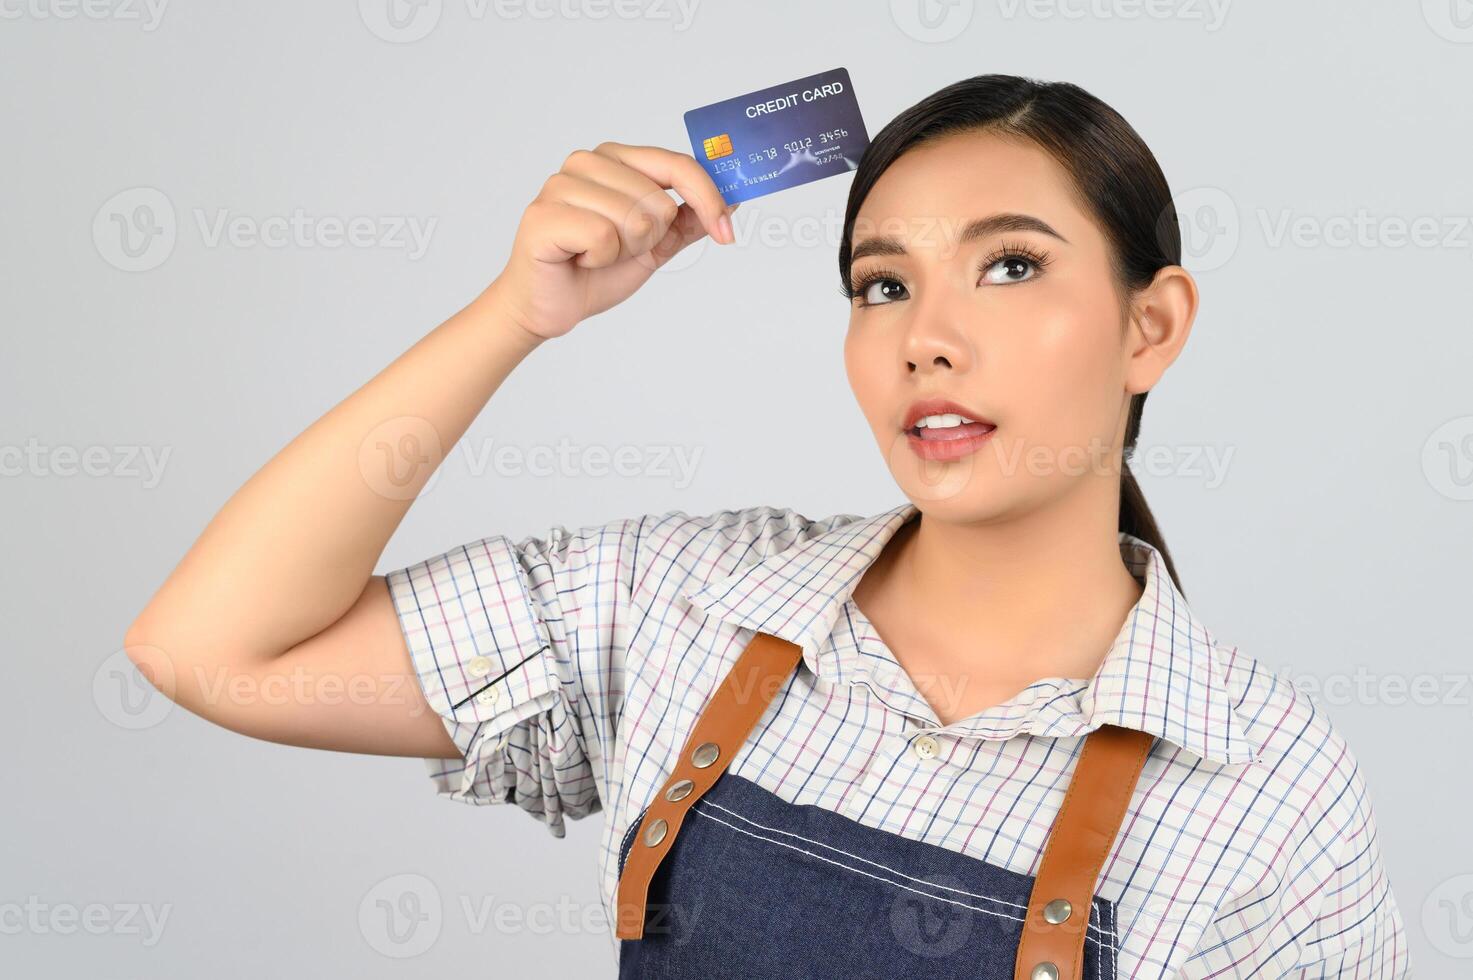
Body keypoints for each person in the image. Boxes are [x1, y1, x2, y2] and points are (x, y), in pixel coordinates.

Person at [124, 74, 1409, 977]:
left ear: (1152, 325)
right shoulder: (682, 601)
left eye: (1011, 265)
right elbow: (214, 646)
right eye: (881, 283)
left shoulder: (1267, 793)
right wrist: (518, 311)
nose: (929, 336)